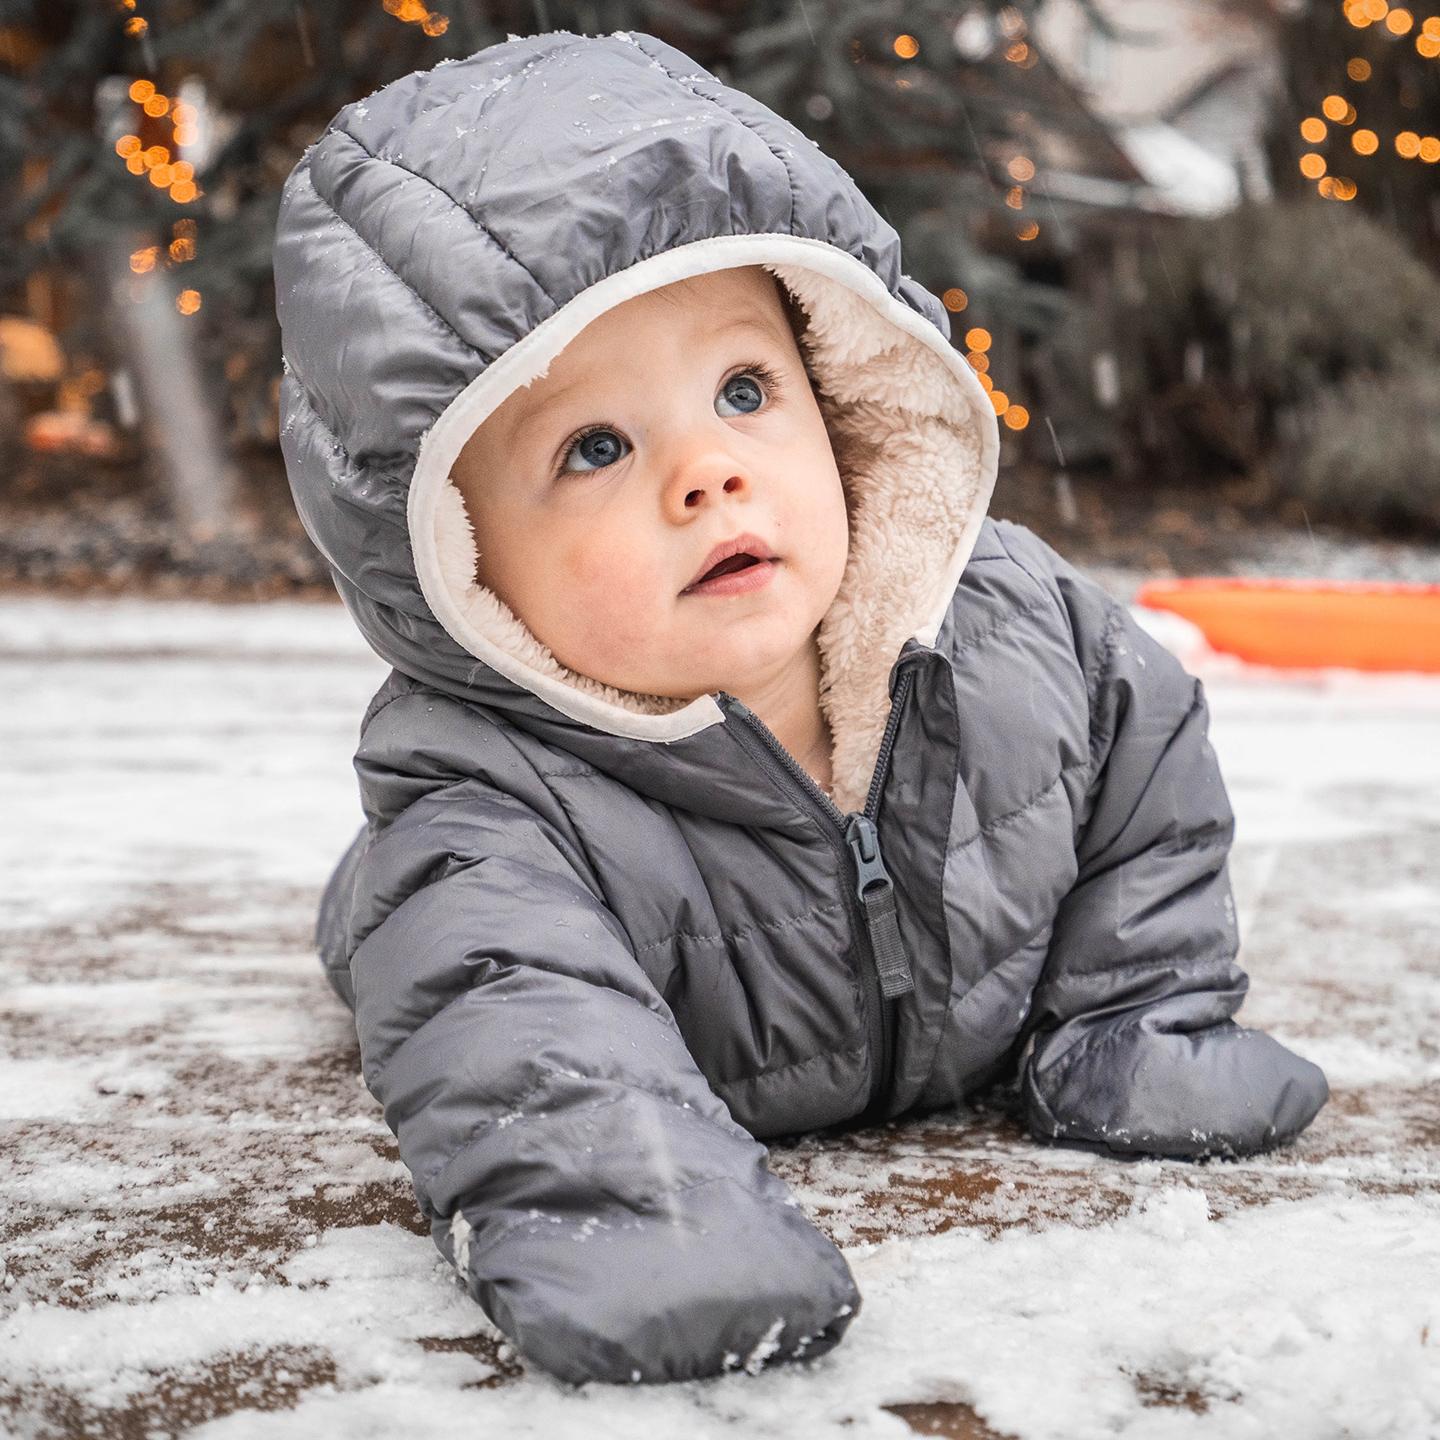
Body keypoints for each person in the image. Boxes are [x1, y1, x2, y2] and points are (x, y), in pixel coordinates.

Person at [273, 29, 1329, 1387]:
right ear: (459, 558)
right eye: (595, 447)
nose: (709, 472)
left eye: (744, 389)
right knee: (424, 915)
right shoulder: (492, 806)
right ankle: (365, 905)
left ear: (842, 392)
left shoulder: (1024, 636)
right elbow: (526, 1026)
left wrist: (1139, 1014)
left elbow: (1146, 770)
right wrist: (644, 1219)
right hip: (501, 906)